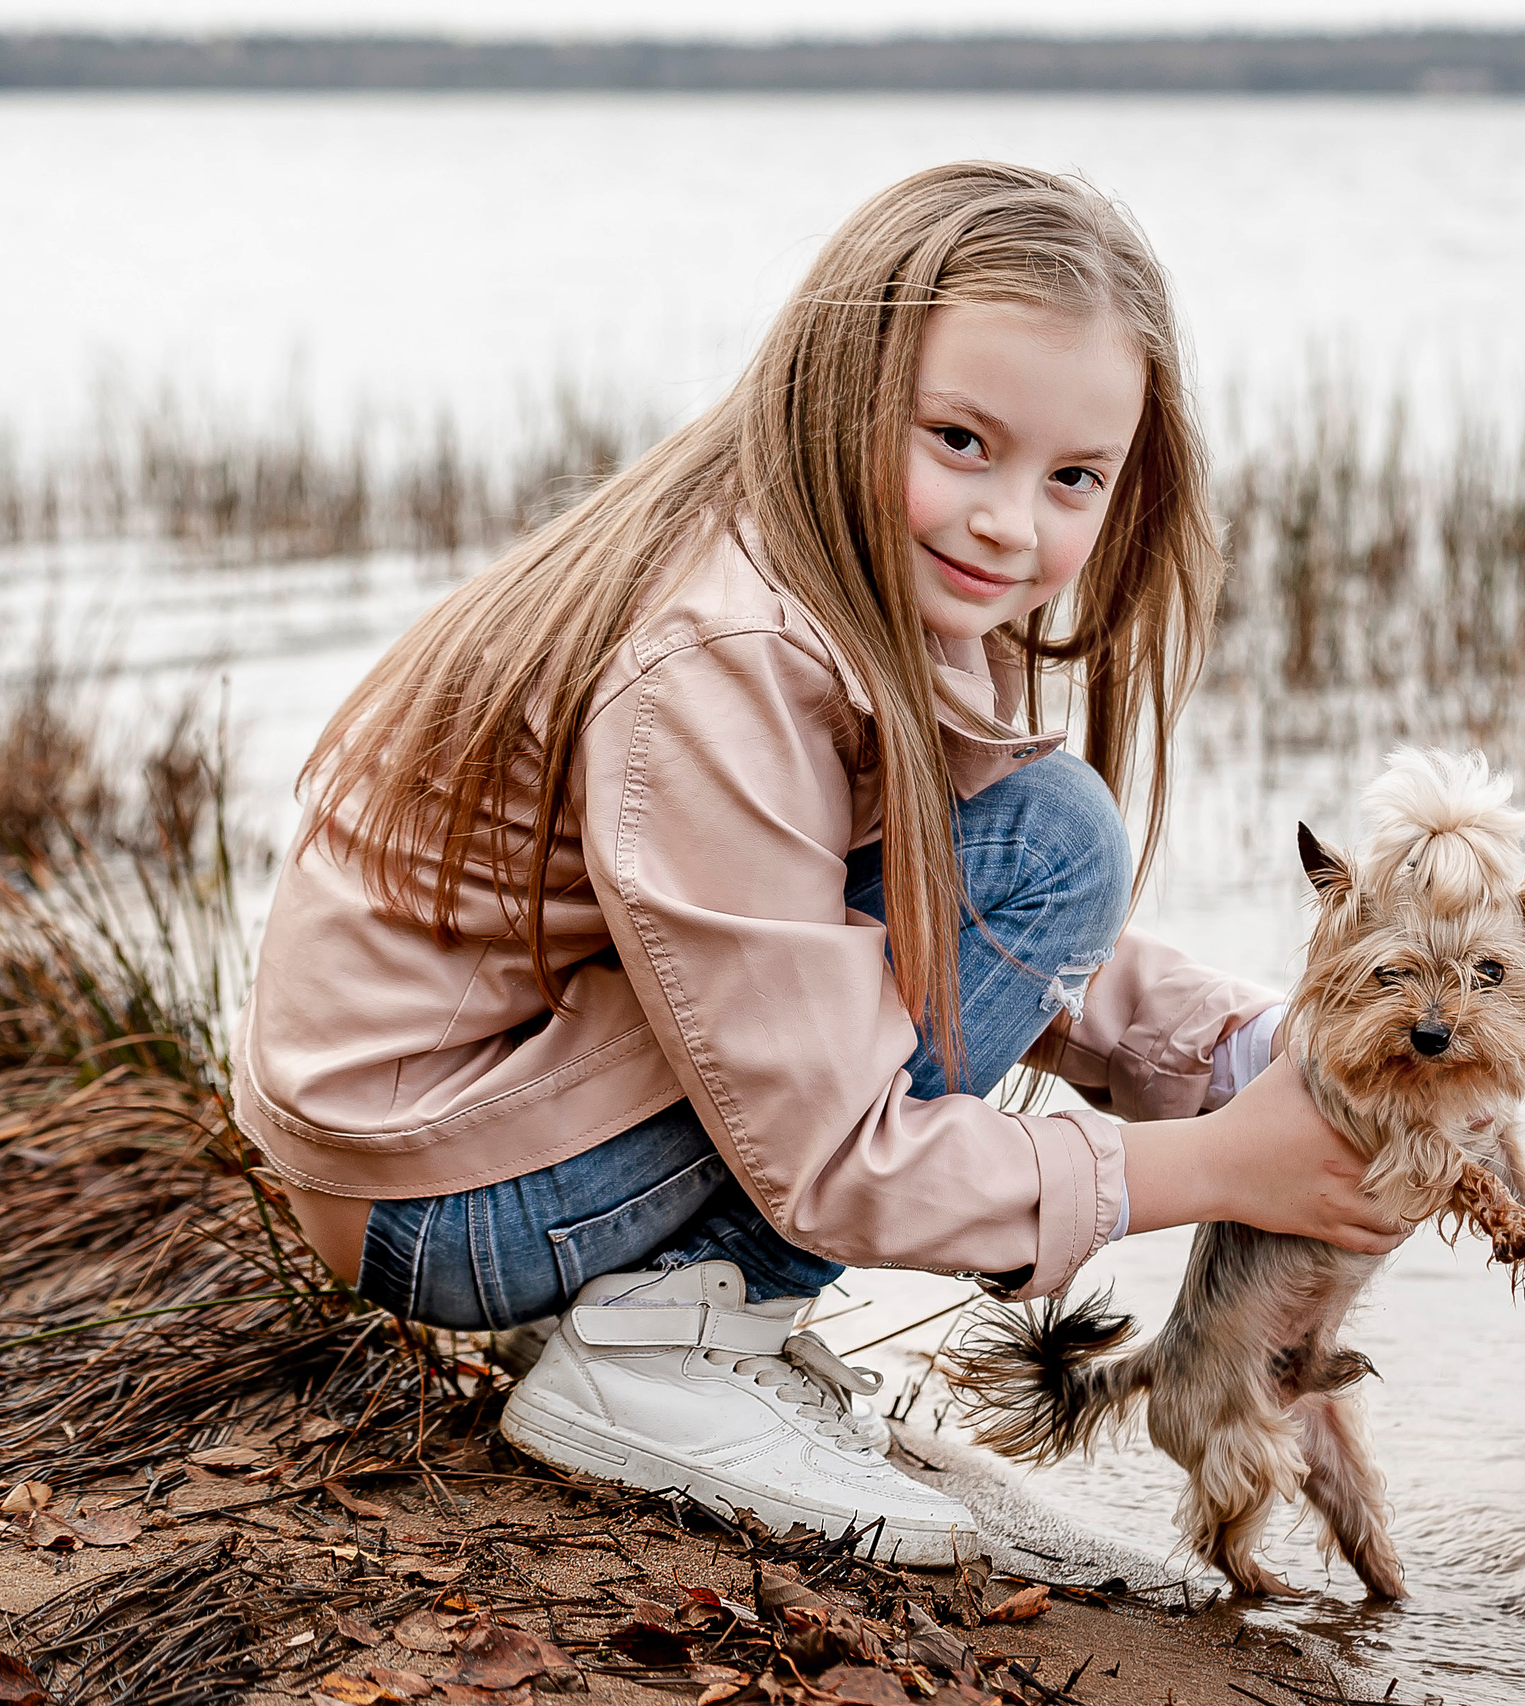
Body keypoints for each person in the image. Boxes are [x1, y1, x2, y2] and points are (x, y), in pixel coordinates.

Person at [232, 161, 1409, 1566]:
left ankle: (673, 1308)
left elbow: (898, 907)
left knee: (1045, 838)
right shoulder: (723, 655)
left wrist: (1238, 1047)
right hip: (444, 1199)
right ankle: (674, 1339)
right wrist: (1215, 1164)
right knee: (1060, 835)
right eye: (960, 439)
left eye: (1073, 478)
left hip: (452, 1139)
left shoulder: (822, 560)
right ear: (843, 384)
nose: (1010, 522)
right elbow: (843, 1151)